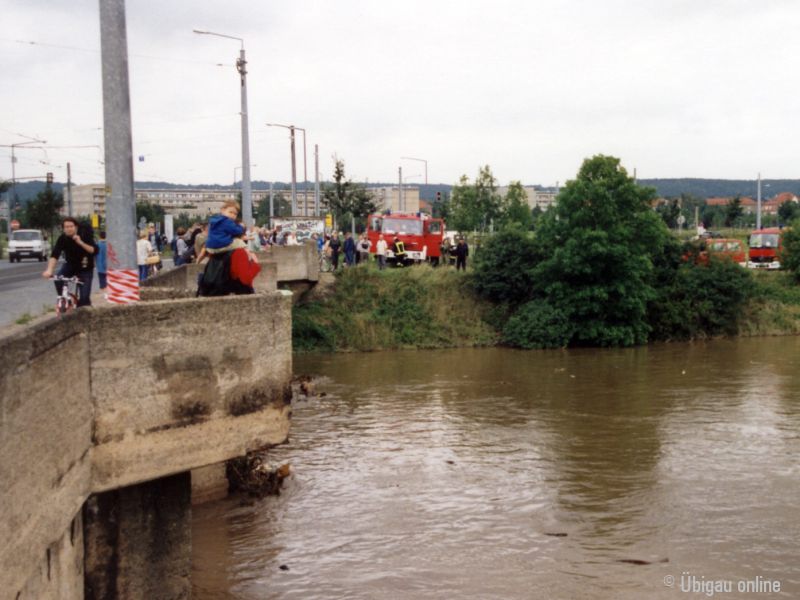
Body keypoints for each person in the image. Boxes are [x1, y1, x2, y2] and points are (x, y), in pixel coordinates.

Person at [42, 217, 98, 307]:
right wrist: (49, 270)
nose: (69, 229)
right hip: (70, 265)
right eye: (66, 227)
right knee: (58, 279)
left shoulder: (84, 235)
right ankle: (65, 299)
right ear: (63, 229)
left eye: (71, 226)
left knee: (84, 300)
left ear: (76, 227)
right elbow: (55, 254)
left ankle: (84, 307)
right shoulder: (62, 238)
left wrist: (80, 243)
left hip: (85, 267)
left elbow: (94, 250)